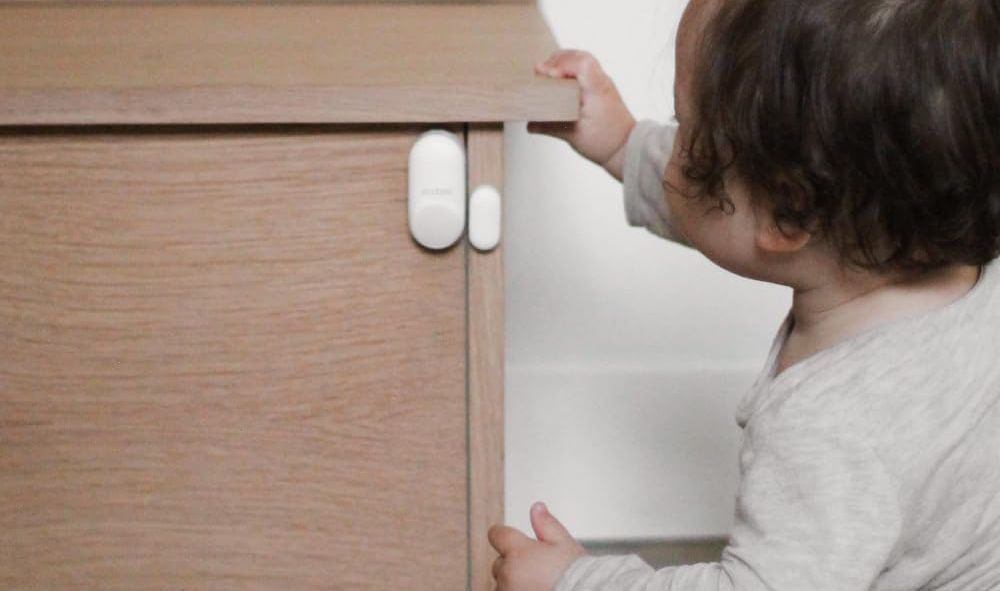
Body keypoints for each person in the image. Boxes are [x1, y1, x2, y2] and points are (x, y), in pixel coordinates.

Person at [487, 0, 1000, 589]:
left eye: (686, 135)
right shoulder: (951, 258)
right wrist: (624, 144)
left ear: (789, 213)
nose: (674, 146)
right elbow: (723, 206)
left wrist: (578, 581)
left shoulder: (834, 425)